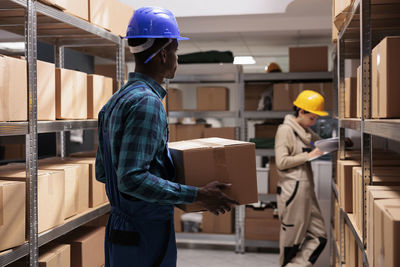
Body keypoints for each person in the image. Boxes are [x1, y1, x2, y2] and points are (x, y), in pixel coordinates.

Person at [95, 7, 238, 267]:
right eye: (176, 51)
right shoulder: (147, 103)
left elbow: (104, 173)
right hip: (144, 230)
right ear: (163, 53)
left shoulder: (114, 102)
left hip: (120, 227)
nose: (176, 59)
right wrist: (196, 194)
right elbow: (131, 179)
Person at [274, 90, 328, 267]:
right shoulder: (286, 130)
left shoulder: (305, 132)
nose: (314, 122)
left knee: (319, 237)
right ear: (301, 112)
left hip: (306, 191)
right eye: (312, 118)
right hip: (293, 191)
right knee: (291, 245)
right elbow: (281, 162)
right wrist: (309, 155)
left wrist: (341, 143)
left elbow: (319, 145)